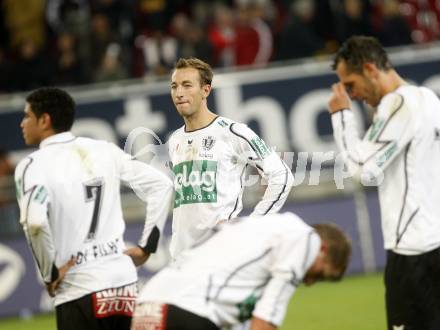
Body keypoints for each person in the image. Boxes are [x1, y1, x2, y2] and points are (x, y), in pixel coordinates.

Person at [14, 87, 173, 330]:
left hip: (78, 288)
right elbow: (161, 184)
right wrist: (146, 248)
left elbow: (35, 222)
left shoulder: (33, 165)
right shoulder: (103, 150)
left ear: (44, 120)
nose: (22, 124)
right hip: (124, 284)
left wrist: (50, 275)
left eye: (27, 116)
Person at [328, 35, 440, 330]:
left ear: (370, 69)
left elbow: (362, 169)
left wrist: (341, 117)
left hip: (413, 253)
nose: (351, 94)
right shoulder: (427, 98)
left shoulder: (399, 103)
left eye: (350, 84)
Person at [131, 212, 351, 330]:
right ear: (323, 249)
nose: (310, 282)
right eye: (320, 274)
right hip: (190, 311)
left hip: (147, 306)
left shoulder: (254, 234)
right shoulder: (305, 238)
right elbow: (266, 317)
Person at [166, 57, 294, 260]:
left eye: (187, 85)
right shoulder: (175, 140)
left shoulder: (233, 132)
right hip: (181, 257)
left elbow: (282, 175)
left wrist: (251, 226)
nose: (179, 93)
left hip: (220, 253)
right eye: (174, 86)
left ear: (205, 90)